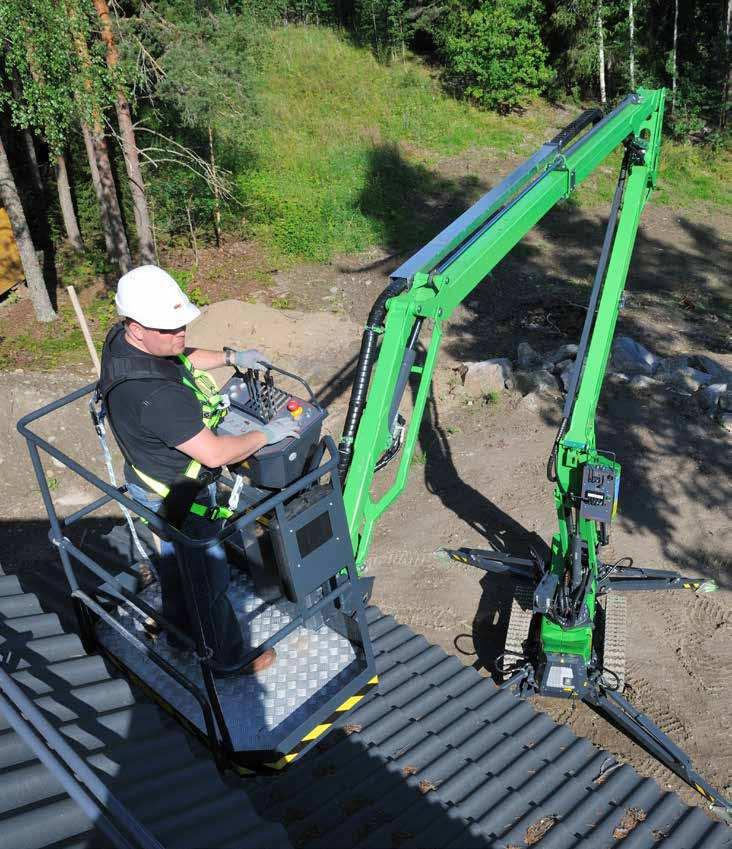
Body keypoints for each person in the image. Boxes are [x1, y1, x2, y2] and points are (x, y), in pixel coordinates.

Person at [97, 264, 298, 676]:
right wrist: (265, 434)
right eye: (170, 328)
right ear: (137, 328)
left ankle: (177, 632)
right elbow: (215, 453)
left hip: (150, 485)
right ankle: (225, 658)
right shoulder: (156, 397)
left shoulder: (124, 342)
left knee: (174, 564)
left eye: (181, 324)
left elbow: (180, 358)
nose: (181, 334)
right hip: (183, 494)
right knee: (209, 577)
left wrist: (229, 357)